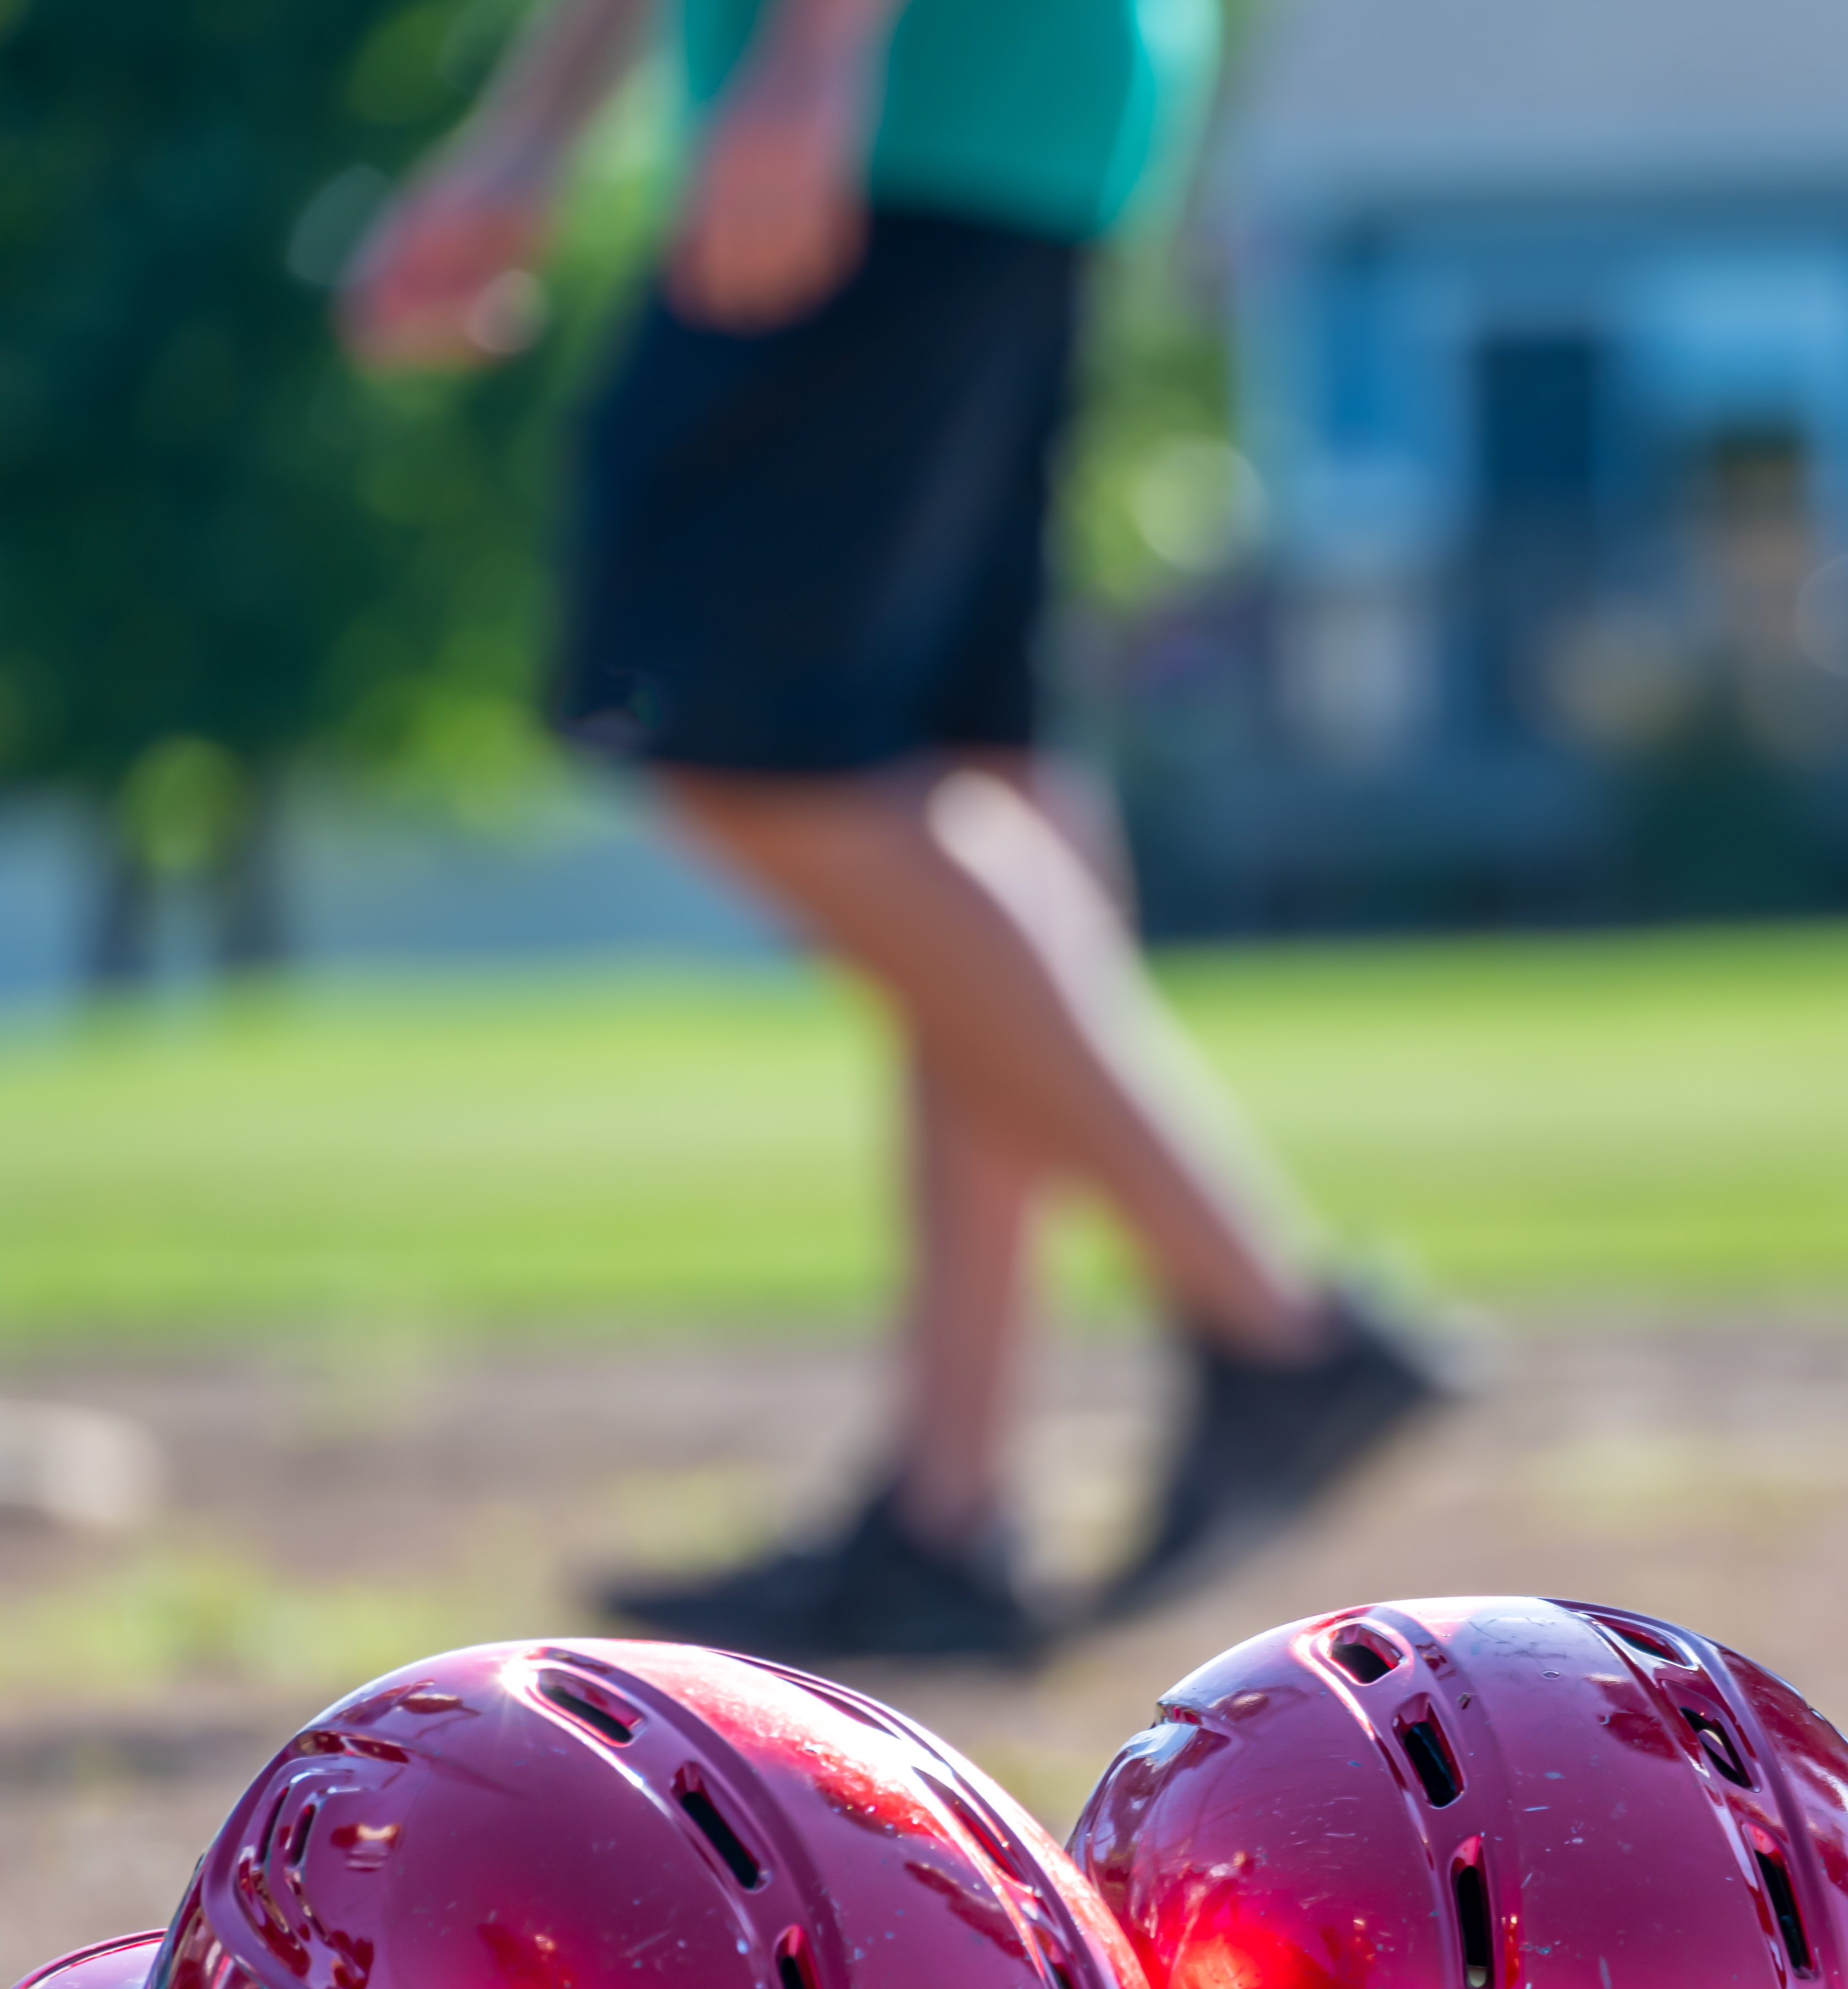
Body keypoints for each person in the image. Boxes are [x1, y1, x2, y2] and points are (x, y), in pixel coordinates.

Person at [340, 0, 1438, 1665]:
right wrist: (530, 141)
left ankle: (1276, 1321)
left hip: (912, 100)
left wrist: (814, 60)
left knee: (741, 735)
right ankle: (948, 1511)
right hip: (1010, 114)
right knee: (960, 763)